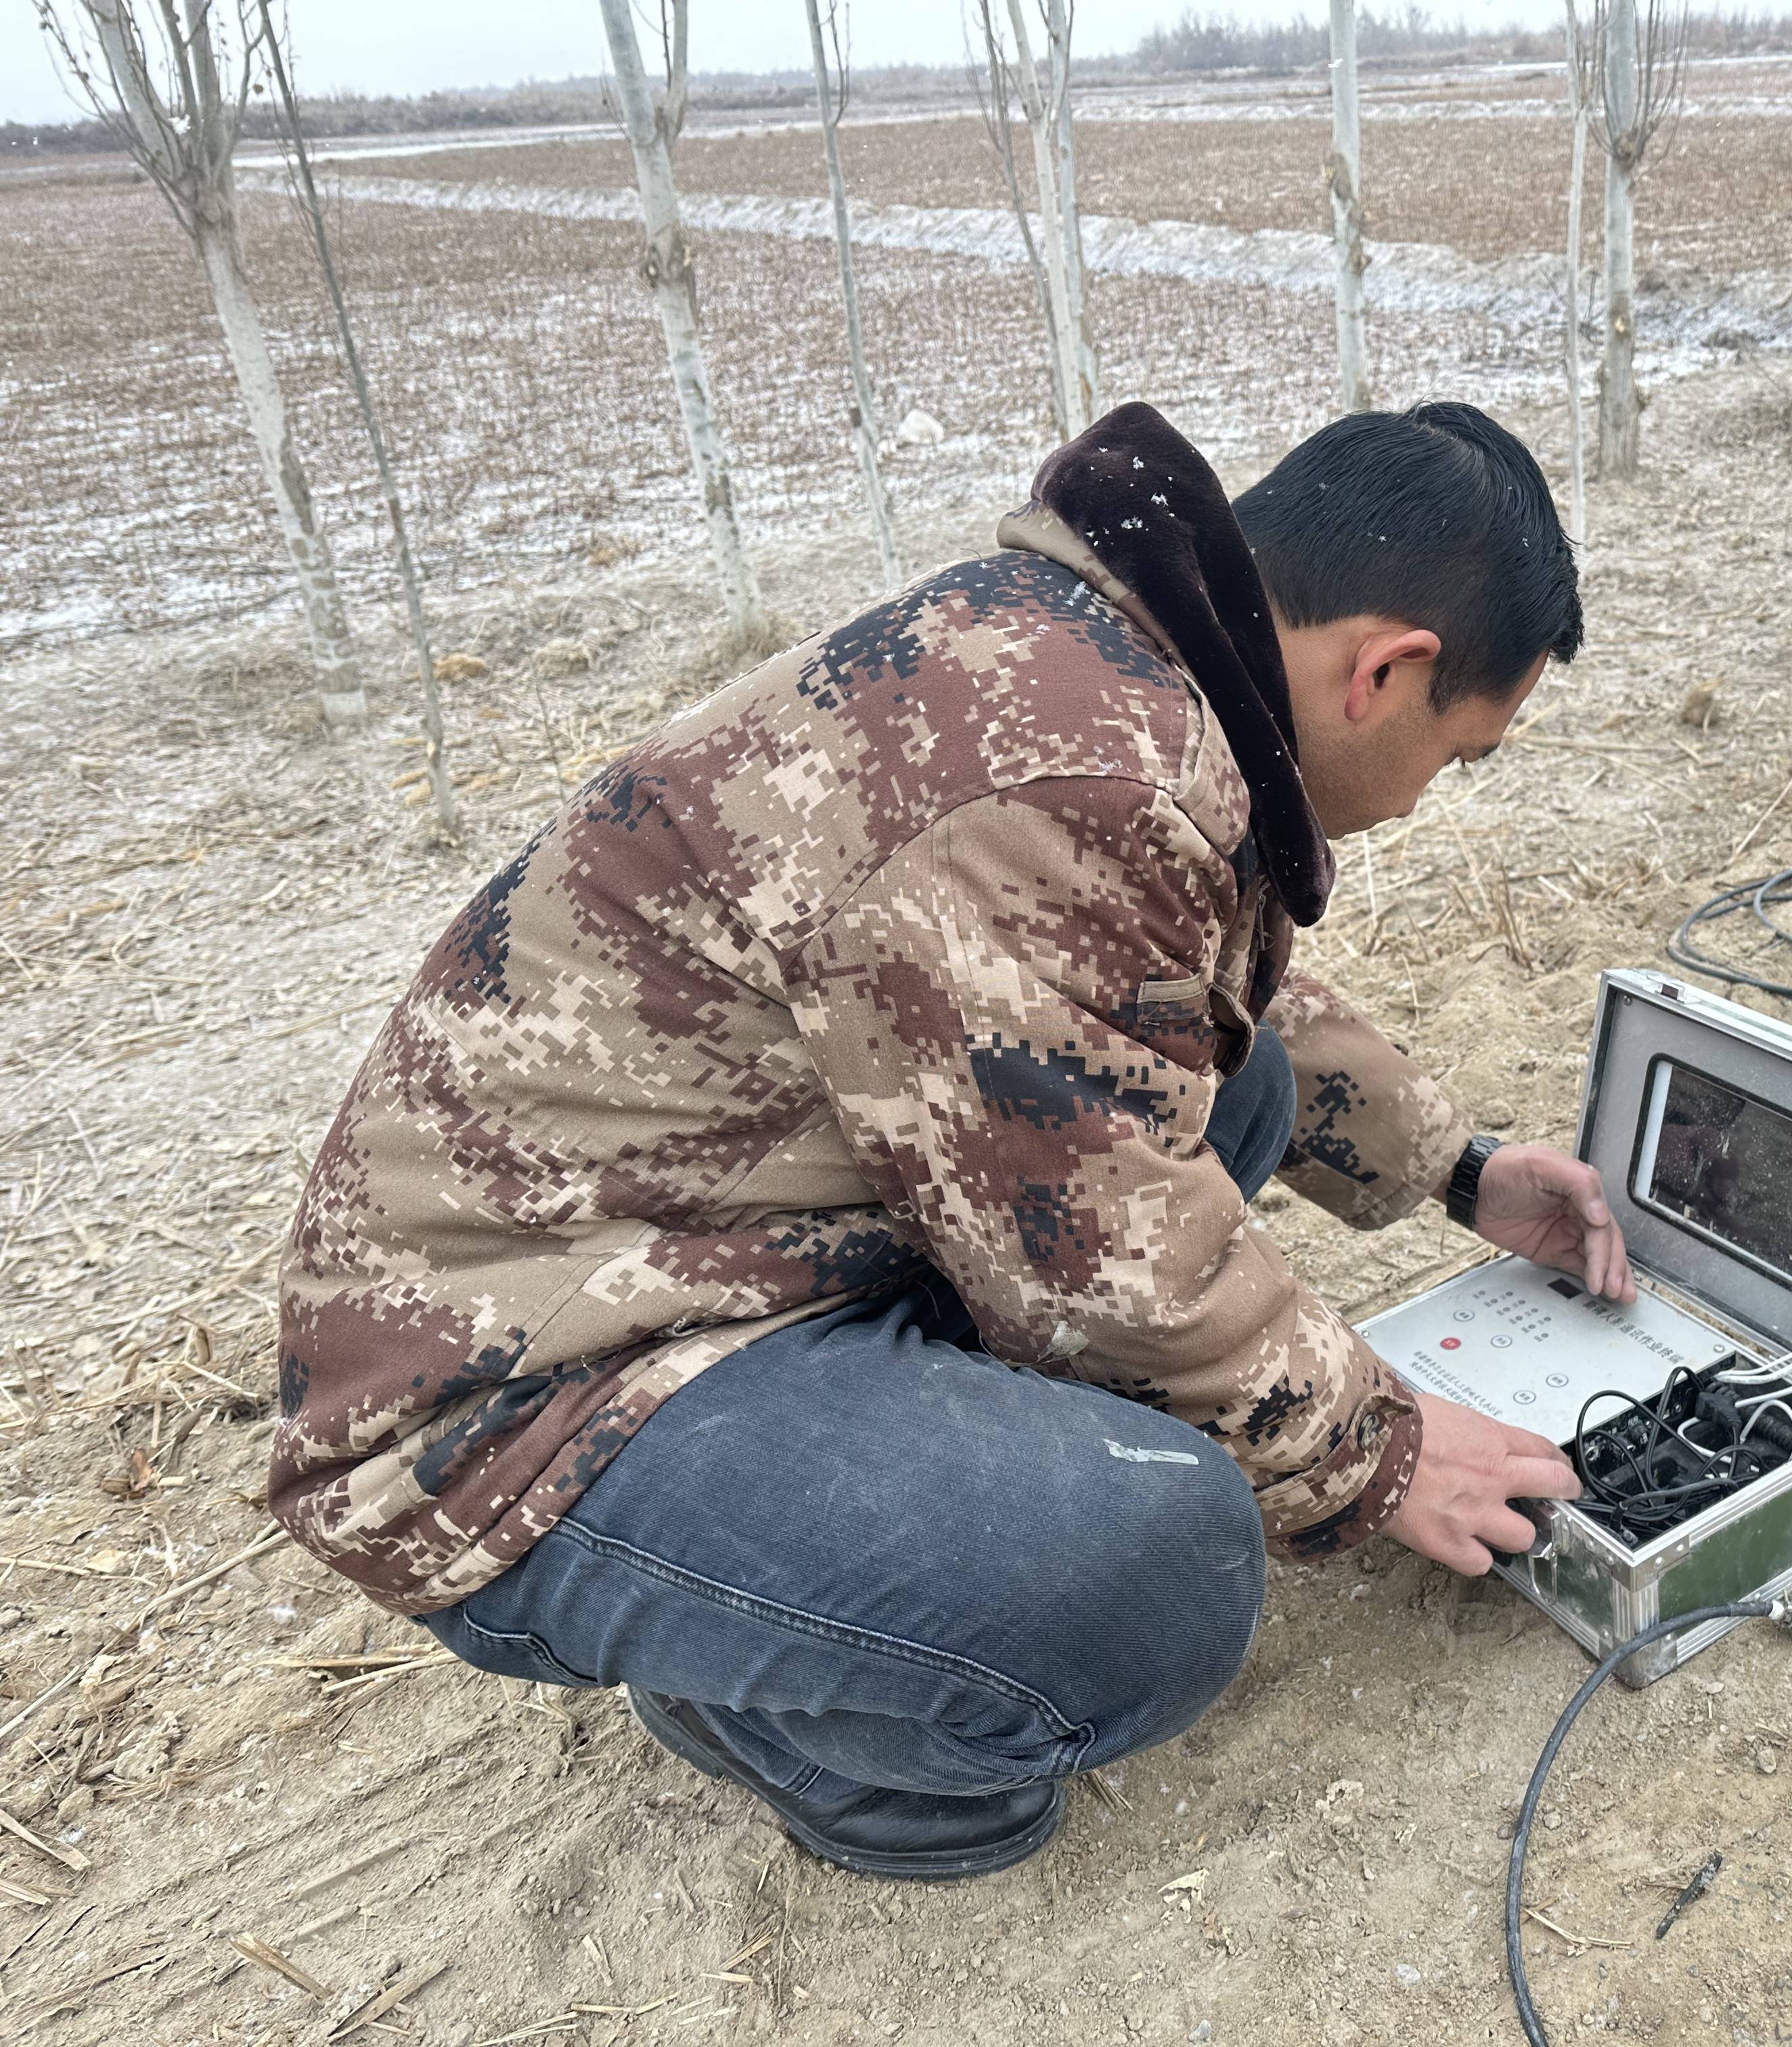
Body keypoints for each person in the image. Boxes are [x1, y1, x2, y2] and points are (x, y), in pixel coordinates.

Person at [271, 399, 1630, 1882]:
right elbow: (1110, 1273)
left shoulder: (1108, 670)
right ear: (1391, 671)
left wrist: (1459, 1167)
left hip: (681, 1250)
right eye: (1464, 754)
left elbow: (1151, 1000)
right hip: (503, 1401)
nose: (1437, 794)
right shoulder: (1072, 775)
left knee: (1241, 1097)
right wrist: (1386, 1451)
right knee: (1163, 1565)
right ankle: (799, 1730)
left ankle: (827, 1552)